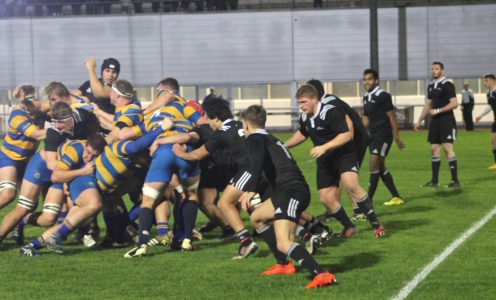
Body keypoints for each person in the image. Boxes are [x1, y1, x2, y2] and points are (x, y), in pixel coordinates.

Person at [238, 105, 336, 288]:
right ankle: (283, 264)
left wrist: (250, 190)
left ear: (246, 126)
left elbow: (256, 162)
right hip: (288, 191)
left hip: (290, 192)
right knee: (257, 218)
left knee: (284, 242)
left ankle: (320, 273)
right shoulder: (272, 139)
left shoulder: (254, 139)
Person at [285, 85, 385, 237]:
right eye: (299, 103)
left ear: (314, 99)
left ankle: (376, 225)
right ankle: (349, 227)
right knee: (326, 198)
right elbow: (302, 133)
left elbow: (345, 135)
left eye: (304, 102)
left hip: (343, 155)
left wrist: (324, 147)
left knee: (351, 184)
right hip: (325, 160)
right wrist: (285, 146)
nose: (301, 106)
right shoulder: (305, 116)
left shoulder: (330, 111)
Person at [172, 97, 260, 259]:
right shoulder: (241, 125)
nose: (204, 119)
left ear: (216, 117)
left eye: (206, 116)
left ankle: (243, 239)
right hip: (257, 166)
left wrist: (181, 154)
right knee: (263, 202)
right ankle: (310, 230)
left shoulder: (217, 133)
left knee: (224, 203)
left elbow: (199, 153)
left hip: (240, 170)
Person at [19, 134, 107, 256]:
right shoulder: (75, 151)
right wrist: (83, 171)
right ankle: (22, 221)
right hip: (52, 173)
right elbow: (55, 177)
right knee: (48, 219)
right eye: (88, 152)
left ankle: (33, 245)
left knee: (74, 219)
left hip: (70, 177)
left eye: (94, 155)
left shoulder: (98, 152)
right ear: (85, 145)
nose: (89, 157)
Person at [307, 78, 370, 223]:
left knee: (347, 177)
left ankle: (358, 211)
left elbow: (348, 123)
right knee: (341, 177)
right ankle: (335, 211)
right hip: (351, 140)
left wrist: (348, 144)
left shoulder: (330, 103)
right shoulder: (326, 102)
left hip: (356, 141)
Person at [362, 69, 405, 206]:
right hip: (373, 136)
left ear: (376, 81)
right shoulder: (366, 97)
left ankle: (368, 201)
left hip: (384, 135)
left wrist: (396, 137)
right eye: (364, 79)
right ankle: (396, 197)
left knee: (373, 164)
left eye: (369, 79)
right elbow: (366, 119)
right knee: (380, 168)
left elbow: (392, 116)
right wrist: (359, 134)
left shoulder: (383, 95)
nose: (366, 82)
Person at [0, 85, 46, 211]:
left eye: (30, 101)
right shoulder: (17, 115)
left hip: (25, 160)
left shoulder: (41, 113)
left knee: (30, 203)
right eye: (24, 102)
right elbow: (36, 135)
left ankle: (17, 228)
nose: (27, 105)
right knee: (8, 194)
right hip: (8, 157)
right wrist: (60, 127)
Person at [415, 62, 460, 188]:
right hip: (435, 123)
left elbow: (455, 103)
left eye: (436, 69)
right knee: (434, 149)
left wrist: (438, 110)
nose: (433, 71)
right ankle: (434, 181)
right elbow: (428, 104)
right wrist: (419, 120)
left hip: (447, 121)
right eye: (432, 69)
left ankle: (455, 181)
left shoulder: (447, 84)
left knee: (447, 148)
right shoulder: (431, 86)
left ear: (442, 71)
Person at [475, 74, 496, 169]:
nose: (485, 83)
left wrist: (481, 115)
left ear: (492, 81)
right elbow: (490, 106)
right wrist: (481, 115)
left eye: (486, 81)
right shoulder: (489, 94)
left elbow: (490, 106)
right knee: (493, 141)